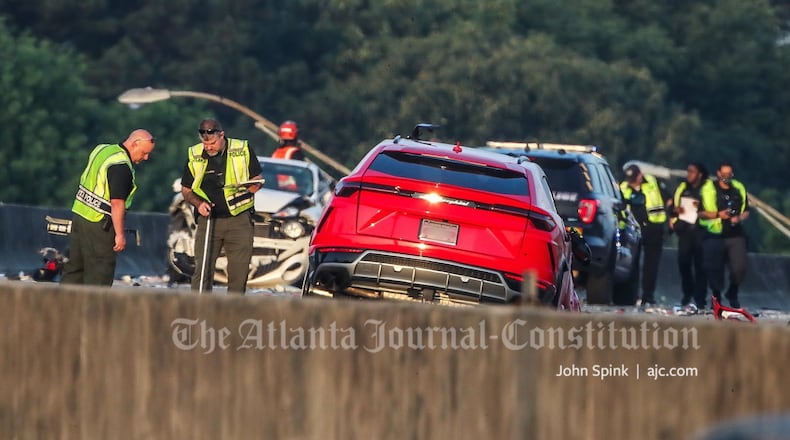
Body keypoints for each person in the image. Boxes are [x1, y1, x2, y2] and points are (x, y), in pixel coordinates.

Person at [61, 129, 156, 286]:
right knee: (100, 273)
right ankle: (94, 303)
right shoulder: (121, 166)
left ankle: (65, 301)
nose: (146, 158)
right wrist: (119, 235)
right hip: (99, 224)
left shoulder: (102, 149)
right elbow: (117, 203)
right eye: (144, 153)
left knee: (74, 269)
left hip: (80, 216)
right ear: (135, 144)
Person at [180, 118, 263, 294]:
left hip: (239, 218)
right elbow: (186, 190)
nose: (208, 147)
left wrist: (254, 185)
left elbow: (257, 178)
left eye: (212, 143)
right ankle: (199, 307)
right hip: (209, 219)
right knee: (202, 271)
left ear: (221, 135)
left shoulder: (242, 149)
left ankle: (232, 309)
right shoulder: (194, 154)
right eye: (205, 144)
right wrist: (198, 204)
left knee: (238, 273)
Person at [698, 162, 749, 309]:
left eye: (729, 174)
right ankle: (716, 298)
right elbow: (700, 213)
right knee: (714, 269)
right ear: (718, 173)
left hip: (735, 233)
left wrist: (738, 218)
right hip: (715, 233)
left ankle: (732, 291)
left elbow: (746, 210)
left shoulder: (738, 188)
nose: (727, 177)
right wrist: (718, 214)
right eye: (724, 174)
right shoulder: (708, 189)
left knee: (739, 267)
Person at [620, 164, 669, 306]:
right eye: (630, 180)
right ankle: (630, 296)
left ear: (640, 175)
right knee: (631, 263)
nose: (632, 182)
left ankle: (648, 296)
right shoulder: (623, 187)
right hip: (632, 229)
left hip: (653, 228)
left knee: (651, 265)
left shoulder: (653, 183)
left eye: (634, 179)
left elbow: (668, 199)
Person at [670, 162, 714, 310]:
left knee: (700, 266)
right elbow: (674, 206)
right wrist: (676, 212)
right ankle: (687, 293)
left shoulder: (707, 188)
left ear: (700, 174)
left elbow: (713, 210)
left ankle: (700, 298)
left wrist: (700, 212)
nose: (689, 174)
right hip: (685, 230)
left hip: (701, 230)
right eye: (688, 171)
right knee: (683, 263)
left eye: (692, 171)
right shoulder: (683, 188)